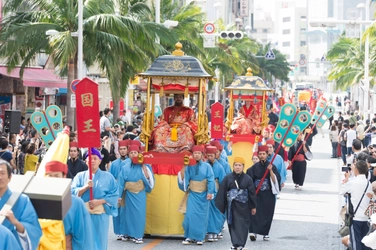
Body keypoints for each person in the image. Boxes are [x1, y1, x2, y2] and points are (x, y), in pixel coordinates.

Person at [71, 148, 119, 250]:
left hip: (100, 216)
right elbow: (72, 193)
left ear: (100, 160)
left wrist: (99, 201)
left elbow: (114, 195)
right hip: (83, 216)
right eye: (89, 158)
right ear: (85, 161)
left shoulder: (108, 177)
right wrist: (85, 187)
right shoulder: (79, 176)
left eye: (95, 158)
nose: (92, 161)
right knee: (83, 243)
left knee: (100, 241)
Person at [44, 161, 96, 250]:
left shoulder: (76, 202)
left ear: (64, 176)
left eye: (57, 176)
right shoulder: (40, 201)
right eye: (50, 176)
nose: (53, 179)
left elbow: (82, 235)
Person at [215, 157, 257, 250]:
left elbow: (252, 193)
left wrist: (253, 206)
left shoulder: (248, 179)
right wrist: (222, 204)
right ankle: (235, 244)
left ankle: (241, 244)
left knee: (243, 225)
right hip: (232, 206)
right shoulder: (228, 178)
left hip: (244, 206)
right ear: (233, 166)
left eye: (239, 165)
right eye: (235, 165)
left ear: (243, 167)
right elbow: (222, 191)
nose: (237, 167)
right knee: (232, 224)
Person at [0, 160, 42, 250]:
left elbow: (34, 230)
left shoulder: (22, 200)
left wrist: (15, 222)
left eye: (2, 173)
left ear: (10, 177)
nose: (0, 177)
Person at [178, 145, 215, 245]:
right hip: (193, 194)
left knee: (202, 217)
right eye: (195, 153)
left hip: (203, 195)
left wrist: (210, 192)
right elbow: (185, 179)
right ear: (192, 155)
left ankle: (200, 238)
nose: (197, 155)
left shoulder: (207, 166)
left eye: (199, 153)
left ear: (202, 155)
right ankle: (189, 236)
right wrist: (185, 166)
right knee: (189, 215)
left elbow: (211, 179)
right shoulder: (190, 166)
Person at [118, 144, 154, 244]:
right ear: (129, 155)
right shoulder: (125, 167)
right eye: (131, 153)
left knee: (139, 214)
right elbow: (121, 183)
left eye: (135, 152)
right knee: (127, 214)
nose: (133, 154)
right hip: (128, 193)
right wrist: (119, 196)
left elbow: (148, 179)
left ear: (139, 154)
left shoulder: (144, 166)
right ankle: (127, 233)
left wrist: (143, 165)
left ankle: (138, 235)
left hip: (139, 193)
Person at [246, 145, 281, 241]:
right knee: (255, 212)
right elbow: (249, 181)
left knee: (267, 213)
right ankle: (253, 232)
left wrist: (270, 171)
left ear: (267, 154)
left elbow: (275, 180)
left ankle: (265, 233)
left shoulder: (272, 166)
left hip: (268, 194)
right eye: (260, 154)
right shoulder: (252, 168)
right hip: (256, 193)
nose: (262, 156)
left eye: (263, 154)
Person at [340, 160, 372, 250]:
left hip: (355, 217)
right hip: (366, 218)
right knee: (364, 242)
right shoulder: (368, 183)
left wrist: (346, 178)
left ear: (356, 169)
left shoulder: (352, 182)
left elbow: (341, 190)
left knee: (356, 242)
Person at [108, 140, 130, 240]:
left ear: (128, 150)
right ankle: (118, 231)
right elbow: (110, 178)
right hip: (117, 189)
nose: (122, 151)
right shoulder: (114, 164)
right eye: (120, 149)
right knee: (116, 210)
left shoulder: (131, 162)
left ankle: (126, 231)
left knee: (126, 211)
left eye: (124, 149)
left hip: (128, 189)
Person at [205, 146, 226, 242]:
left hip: (217, 191)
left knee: (217, 212)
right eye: (208, 155)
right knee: (208, 212)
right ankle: (209, 232)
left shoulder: (220, 167)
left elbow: (222, 182)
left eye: (212, 155)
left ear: (215, 155)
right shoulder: (204, 165)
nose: (210, 157)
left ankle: (216, 231)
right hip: (206, 191)